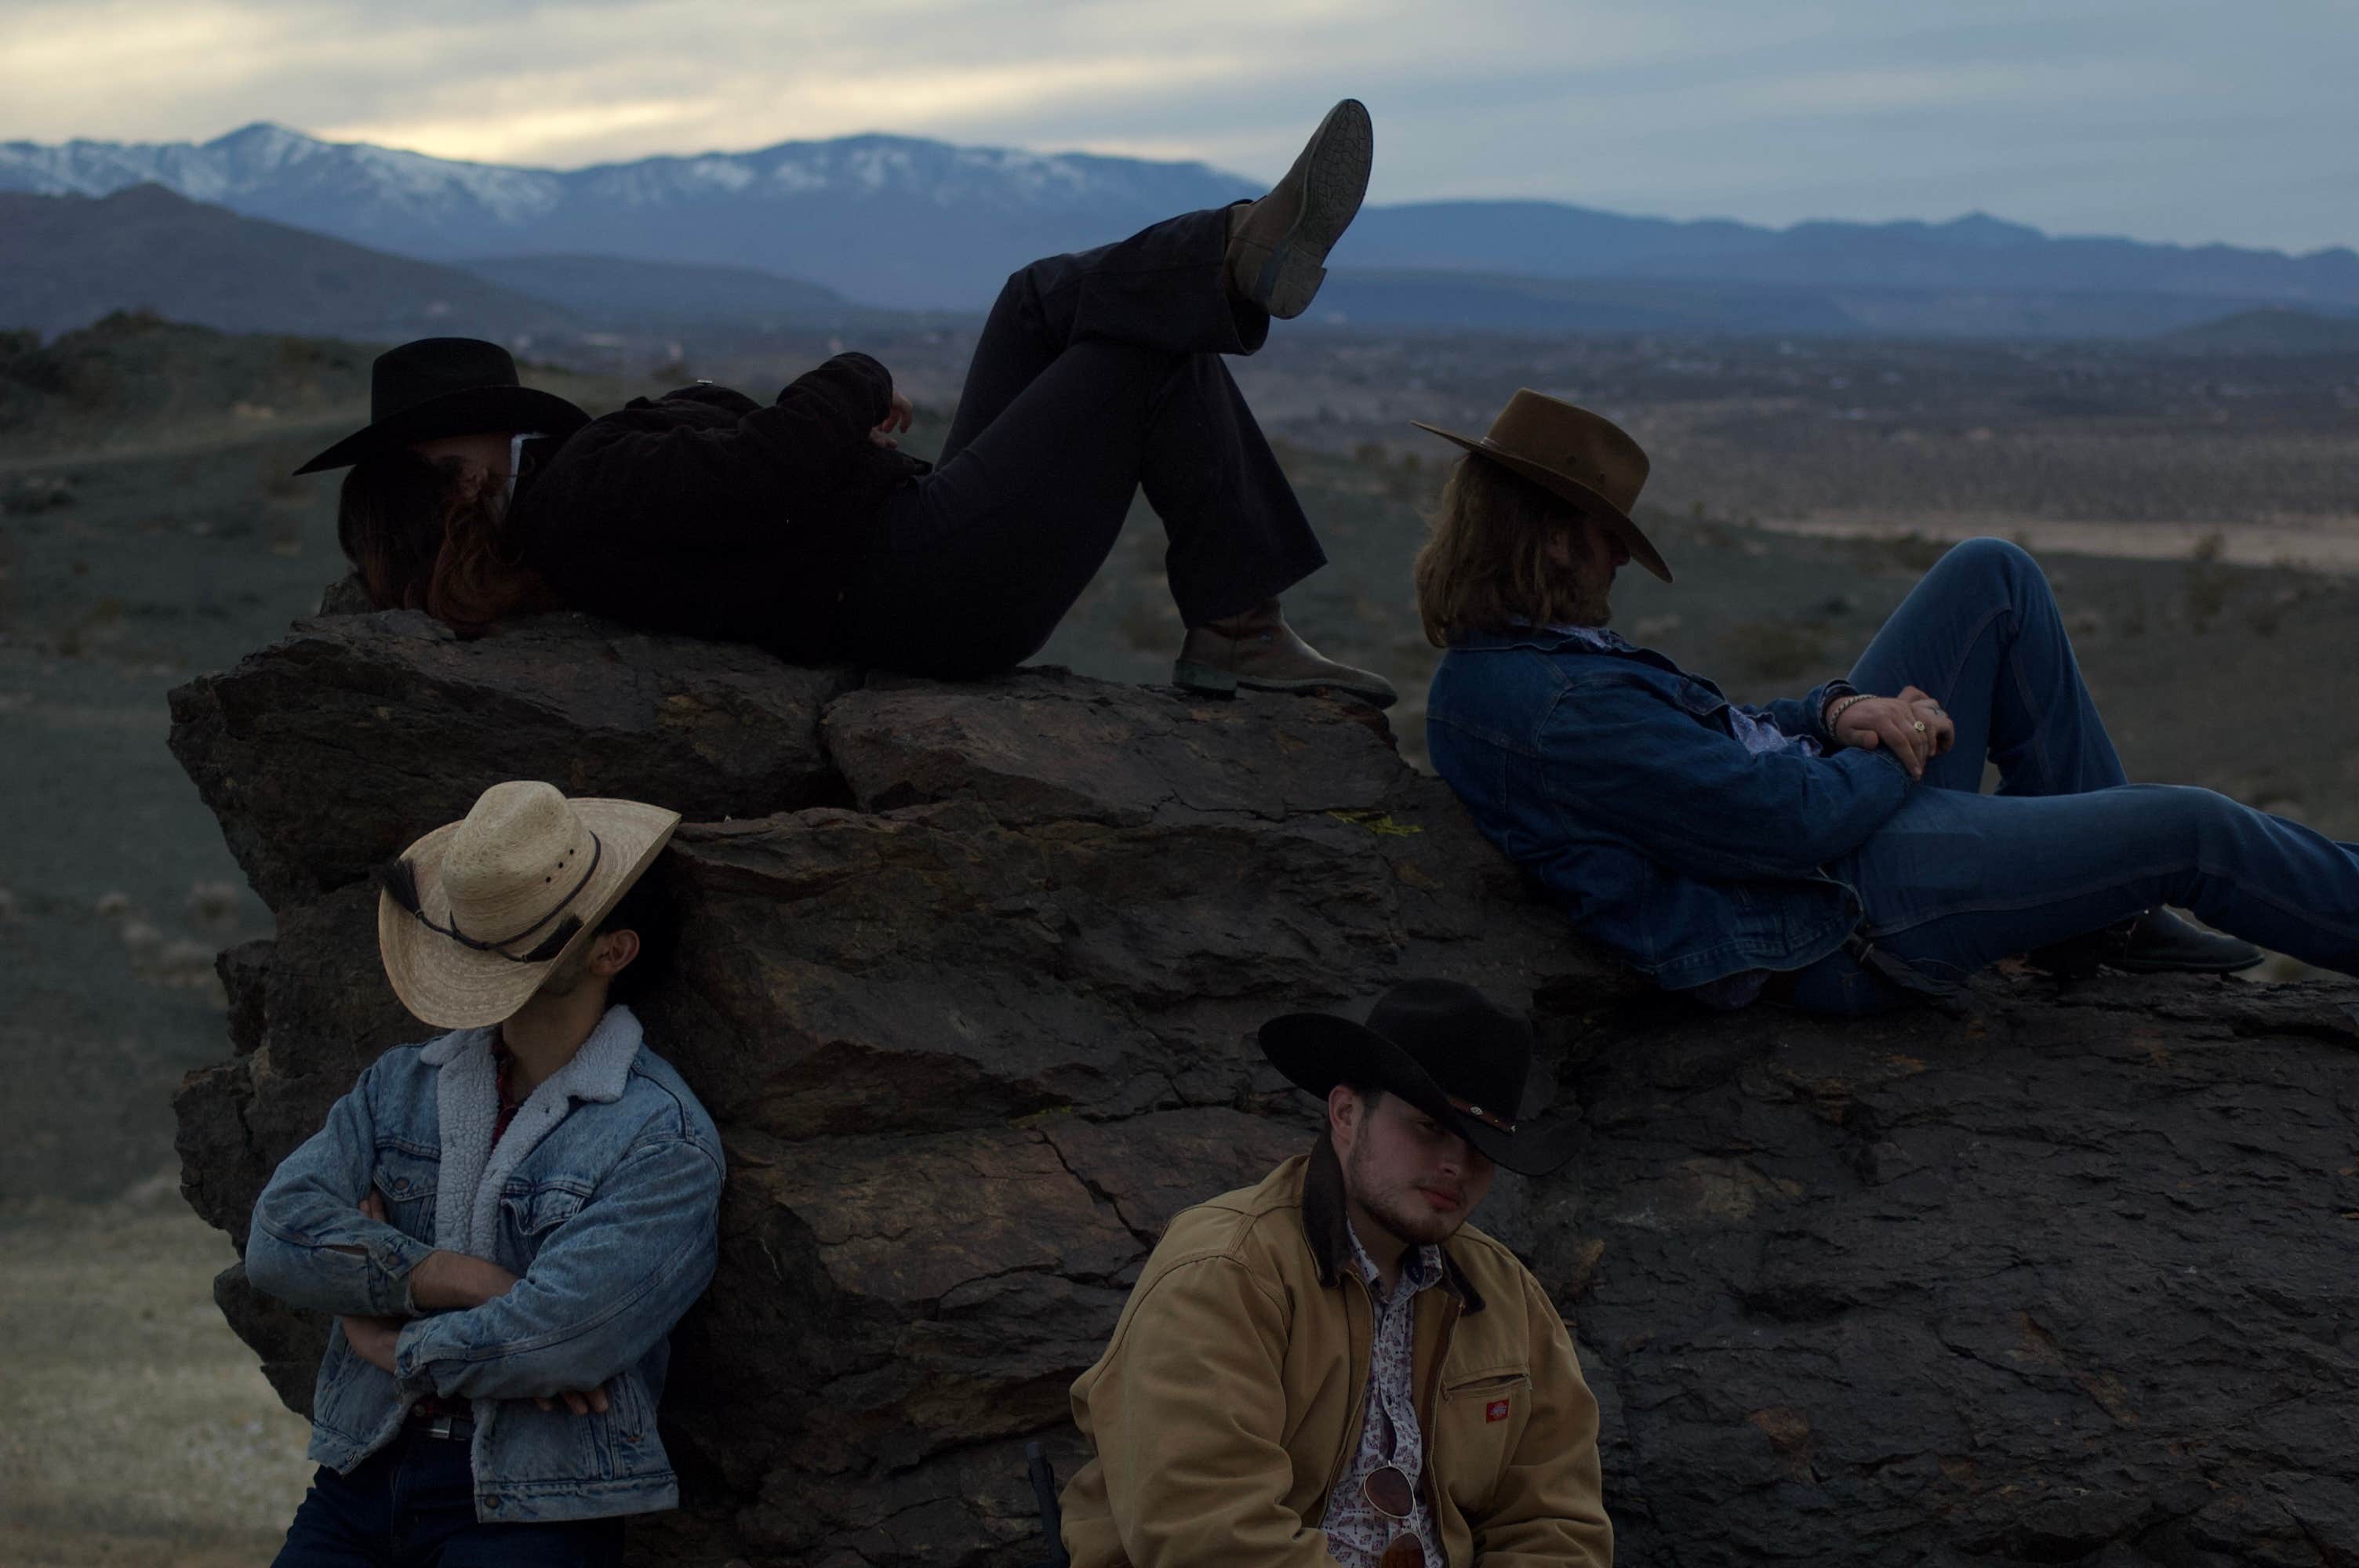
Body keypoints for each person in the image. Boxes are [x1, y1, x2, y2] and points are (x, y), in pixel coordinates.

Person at [303, 101, 1394, 706]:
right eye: (468, 421)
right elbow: (767, 464)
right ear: (452, 473)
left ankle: (1239, 254)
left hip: (913, 548)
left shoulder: (569, 505)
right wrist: (858, 382)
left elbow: (743, 501)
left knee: (1039, 300)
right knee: (1143, 349)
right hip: (927, 581)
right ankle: (1239, 619)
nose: (502, 417)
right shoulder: (576, 490)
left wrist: (832, 448)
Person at [1412, 388, 2359, 1014]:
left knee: (1992, 576)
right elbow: (1779, 824)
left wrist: (1834, 716)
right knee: (2191, 831)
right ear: (1546, 538)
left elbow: (1725, 744)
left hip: (1827, 831)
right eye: (1604, 532)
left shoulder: (1540, 660)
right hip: (1833, 908)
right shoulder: (1545, 706)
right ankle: (2122, 901)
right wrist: (1887, 744)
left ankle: (2095, 919)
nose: (1621, 554)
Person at [245, 779, 723, 1566]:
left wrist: (385, 1339)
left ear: (614, 949)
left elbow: (559, 1340)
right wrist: (457, 1277)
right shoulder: (397, 1085)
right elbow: (277, 1236)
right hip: (361, 1468)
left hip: (531, 1504)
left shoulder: (659, 1138)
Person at [1056, 978, 1614, 1568]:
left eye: (1481, 1147)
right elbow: (1208, 1533)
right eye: (1428, 1128)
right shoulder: (1226, 1271)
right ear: (1346, 1115)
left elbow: (1557, 1521)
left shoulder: (1507, 1295)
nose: (1456, 1164)